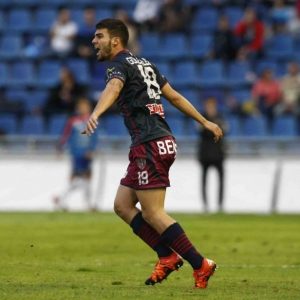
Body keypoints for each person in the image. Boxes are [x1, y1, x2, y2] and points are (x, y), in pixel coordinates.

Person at [83, 19, 223, 288]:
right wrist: (204, 121)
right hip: (153, 143)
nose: (94, 41)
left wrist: (96, 112)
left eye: (99, 36)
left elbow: (113, 88)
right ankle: (166, 255)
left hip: (150, 143)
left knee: (153, 213)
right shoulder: (146, 64)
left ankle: (200, 264)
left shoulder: (119, 65)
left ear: (115, 41)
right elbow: (175, 97)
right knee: (122, 205)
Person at [54, 97, 98, 211]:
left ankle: (87, 204)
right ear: (78, 108)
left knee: (87, 178)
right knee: (76, 178)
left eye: (85, 106)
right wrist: (61, 149)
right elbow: (65, 135)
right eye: (81, 106)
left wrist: (92, 149)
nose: (83, 108)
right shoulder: (73, 121)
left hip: (87, 154)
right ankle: (62, 199)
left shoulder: (92, 120)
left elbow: (94, 137)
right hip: (76, 153)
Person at [197, 98, 226, 213]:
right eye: (208, 106)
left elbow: (225, 131)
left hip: (218, 154)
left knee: (221, 181)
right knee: (204, 181)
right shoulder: (201, 118)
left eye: (212, 106)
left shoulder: (220, 117)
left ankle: (220, 205)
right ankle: (206, 205)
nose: (210, 108)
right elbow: (201, 132)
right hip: (205, 154)